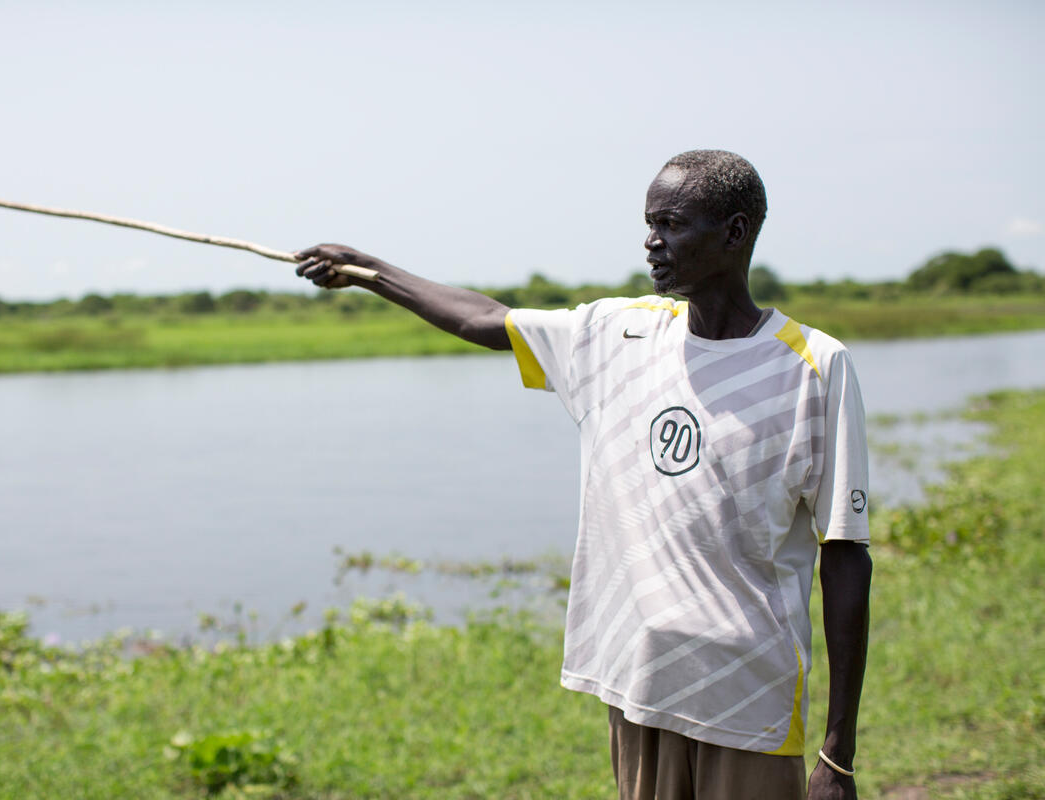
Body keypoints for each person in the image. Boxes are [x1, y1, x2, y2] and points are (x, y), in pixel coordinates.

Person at [295, 150, 871, 800]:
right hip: (639, 686)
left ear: (734, 232)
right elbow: (483, 319)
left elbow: (846, 555)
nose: (651, 242)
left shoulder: (815, 367)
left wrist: (838, 754)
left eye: (672, 225)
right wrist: (368, 270)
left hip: (746, 702)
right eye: (649, 223)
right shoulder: (613, 335)